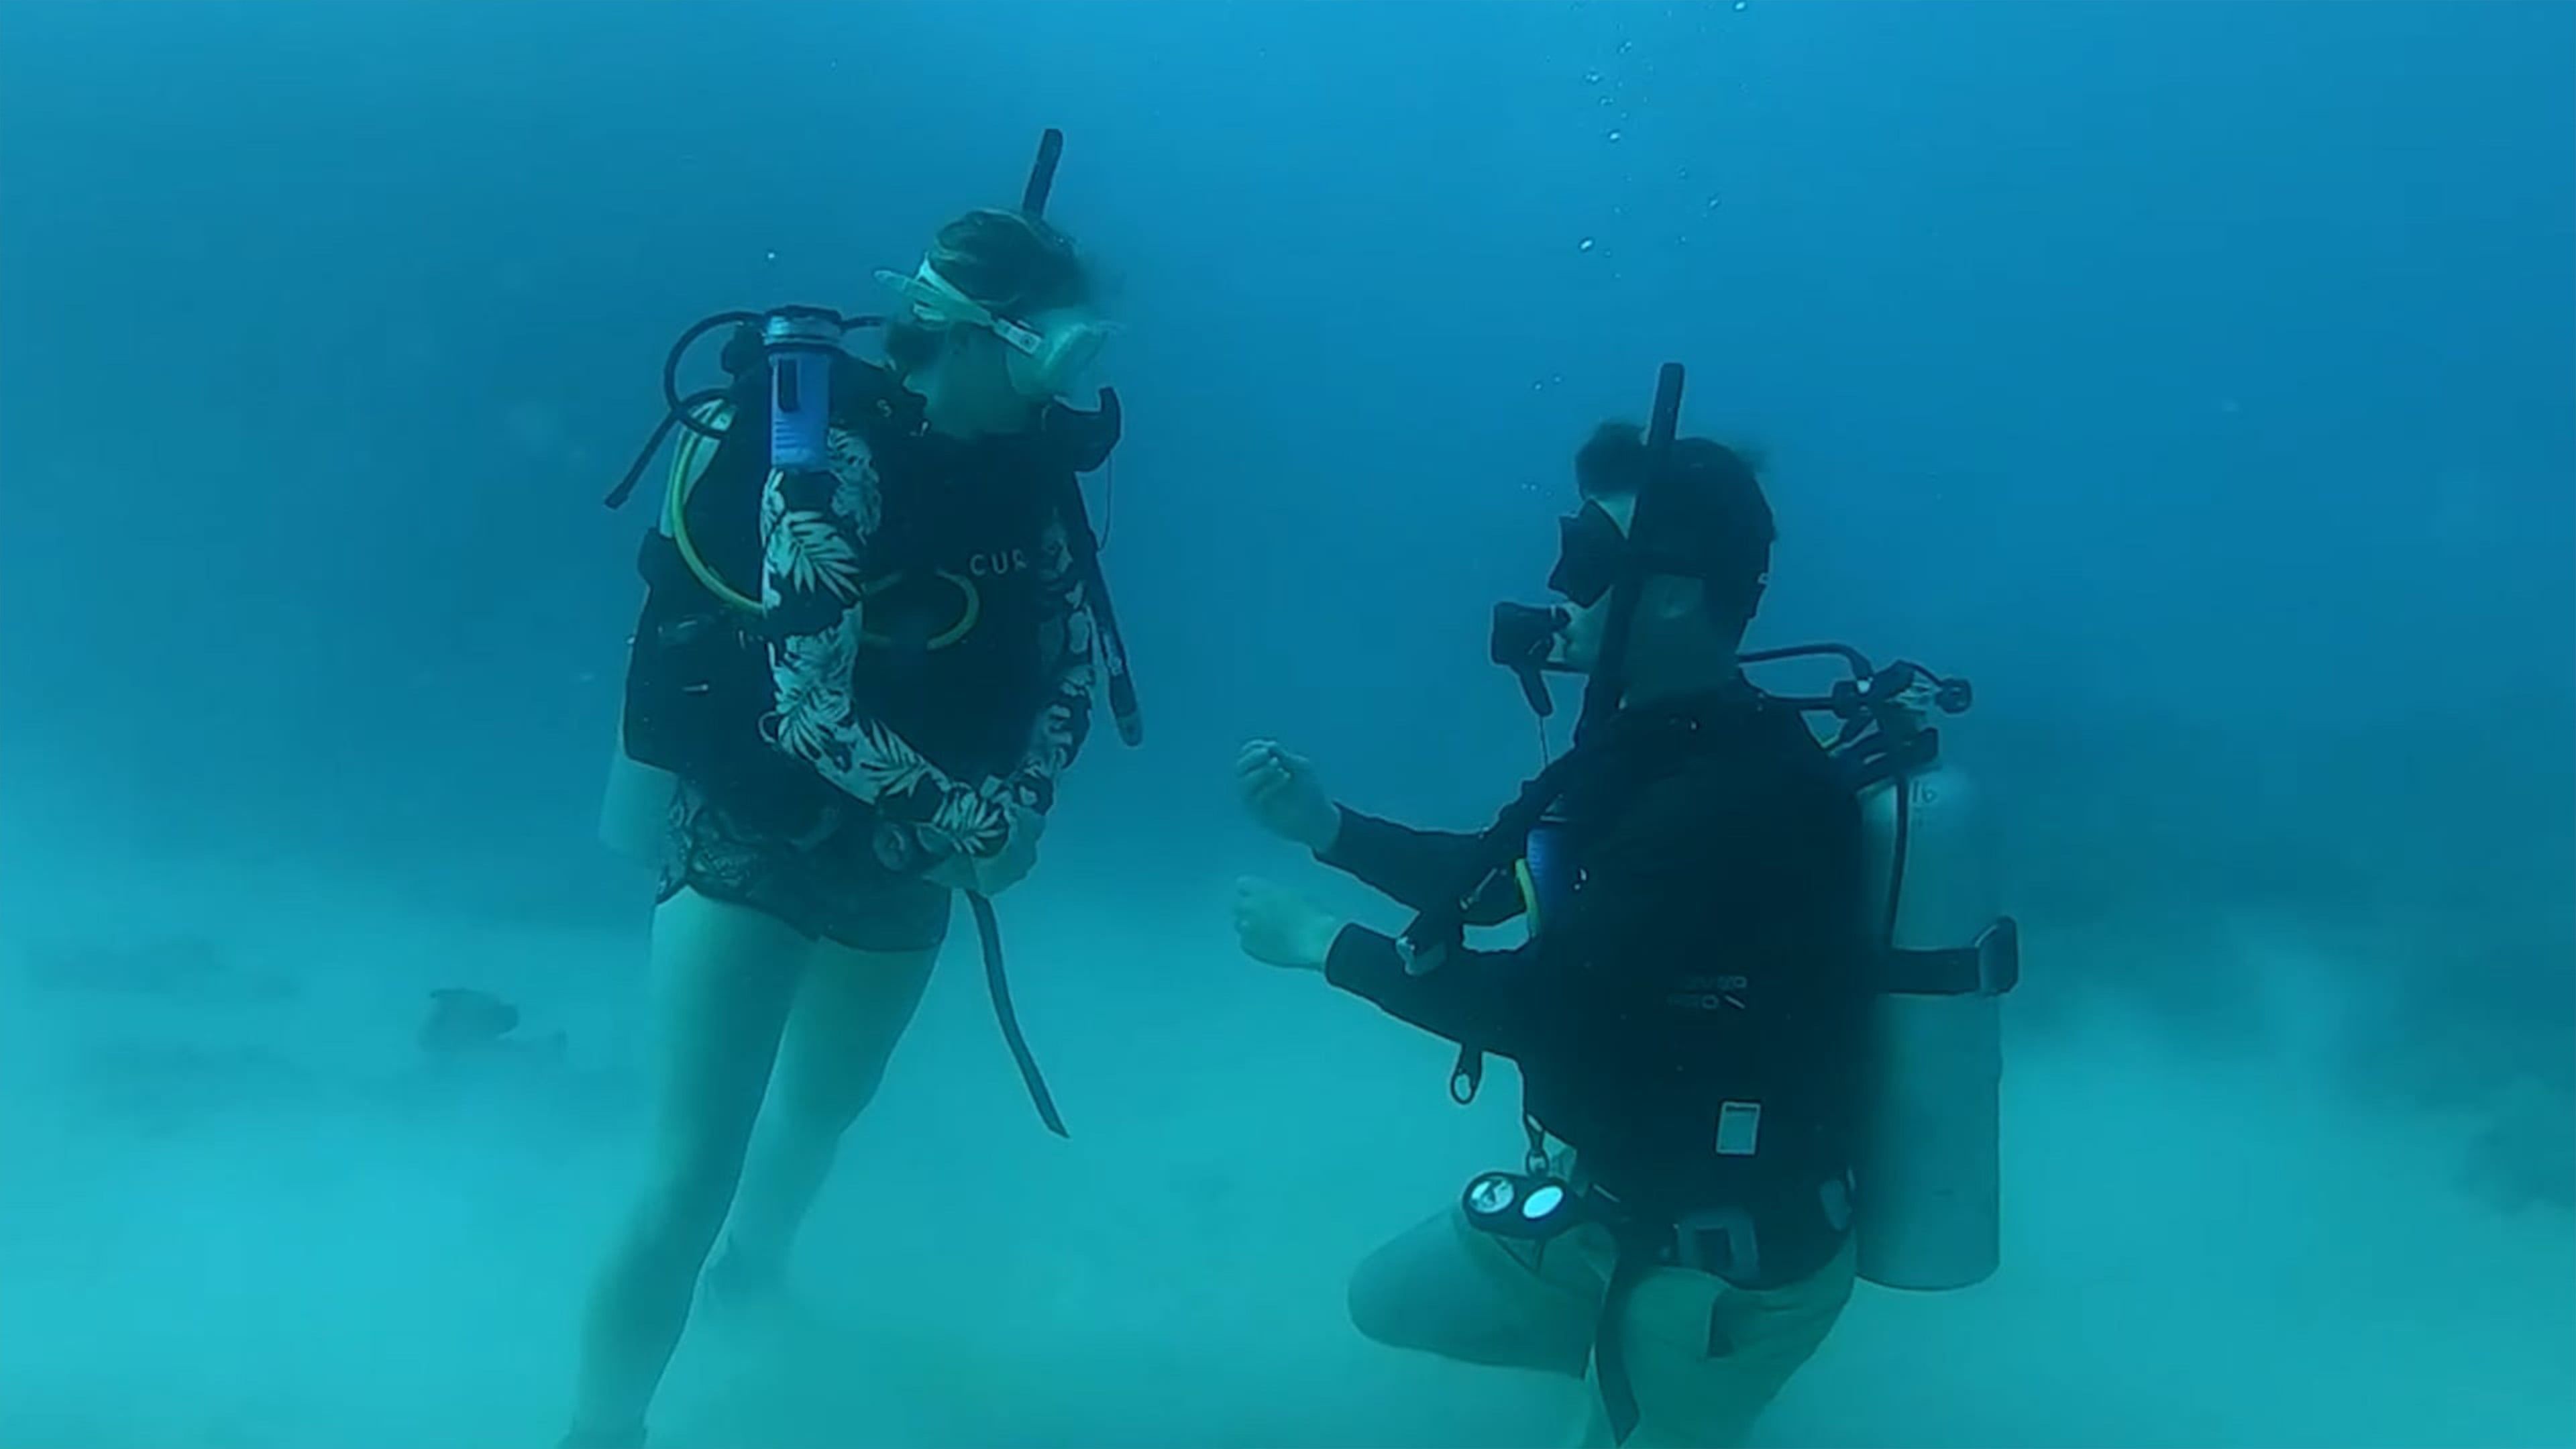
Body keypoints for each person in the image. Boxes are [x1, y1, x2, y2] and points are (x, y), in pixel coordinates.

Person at [564, 199, 1128, 1449]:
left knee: (824, 1112)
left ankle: (756, 1282)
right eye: (1058, 350)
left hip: (913, 859)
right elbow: (807, 708)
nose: (1071, 382)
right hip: (752, 839)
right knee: (688, 1175)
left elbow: (1069, 666)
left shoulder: (1031, 471)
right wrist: (980, 818)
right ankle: (600, 1431)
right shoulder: (827, 456)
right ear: (979, 337)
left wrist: (1014, 814)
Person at [1232, 419, 1870, 1448]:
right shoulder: (1650, 749)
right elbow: (1508, 882)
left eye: (1587, 558)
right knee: (1389, 1301)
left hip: (1714, 1268)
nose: (1558, 581)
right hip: (1611, 1203)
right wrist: (1328, 829)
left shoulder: (1735, 800)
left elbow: (1540, 1011)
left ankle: (1691, 1391)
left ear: (1666, 591)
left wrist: (1321, 945)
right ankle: (1612, 1361)